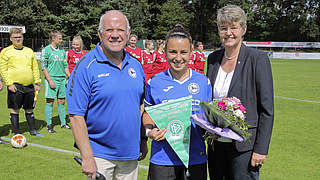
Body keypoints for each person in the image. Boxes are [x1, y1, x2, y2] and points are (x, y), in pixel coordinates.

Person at [66, 10, 147, 180]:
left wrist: (142, 140)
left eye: (120, 30)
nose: (115, 35)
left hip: (130, 156)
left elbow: (140, 107)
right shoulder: (85, 66)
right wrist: (87, 157)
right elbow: (75, 116)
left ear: (128, 34)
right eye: (109, 30)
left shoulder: (136, 65)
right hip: (99, 157)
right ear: (100, 33)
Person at [206, 5, 274, 180]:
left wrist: (260, 149)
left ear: (243, 29)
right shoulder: (212, 59)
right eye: (223, 28)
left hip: (245, 147)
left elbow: (267, 110)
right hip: (216, 145)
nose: (228, 33)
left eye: (233, 27)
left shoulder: (257, 59)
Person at [143, 24, 212, 180]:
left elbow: (209, 119)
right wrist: (149, 132)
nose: (178, 58)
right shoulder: (154, 82)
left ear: (191, 52)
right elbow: (147, 115)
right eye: (173, 52)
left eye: (183, 52)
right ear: (165, 51)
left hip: (195, 158)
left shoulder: (204, 82)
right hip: (162, 158)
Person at [0, 28, 41, 136]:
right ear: (10, 39)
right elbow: (3, 69)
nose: (18, 39)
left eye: (19, 37)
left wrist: (37, 82)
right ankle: (17, 133)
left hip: (29, 86)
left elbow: (35, 68)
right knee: (15, 109)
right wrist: (9, 83)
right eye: (15, 37)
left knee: (30, 109)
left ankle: (33, 130)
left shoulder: (29, 51)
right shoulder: (5, 52)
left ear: (22, 37)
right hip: (15, 86)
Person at [40, 30, 71, 133]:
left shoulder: (62, 51)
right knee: (50, 101)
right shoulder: (46, 50)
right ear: (53, 38)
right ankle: (49, 125)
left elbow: (65, 65)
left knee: (62, 101)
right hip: (52, 79)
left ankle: (63, 123)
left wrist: (69, 76)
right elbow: (44, 67)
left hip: (62, 79)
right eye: (59, 38)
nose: (61, 40)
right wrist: (50, 80)